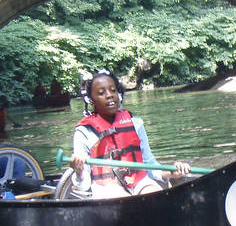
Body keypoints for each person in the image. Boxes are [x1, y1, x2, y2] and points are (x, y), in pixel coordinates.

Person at [68, 70, 191, 199]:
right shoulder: (84, 132)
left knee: (155, 196)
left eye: (113, 90)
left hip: (139, 182)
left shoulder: (136, 124)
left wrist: (170, 172)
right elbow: (83, 186)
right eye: (101, 93)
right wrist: (79, 170)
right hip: (106, 189)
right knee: (125, 201)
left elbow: (150, 166)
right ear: (91, 100)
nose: (109, 95)